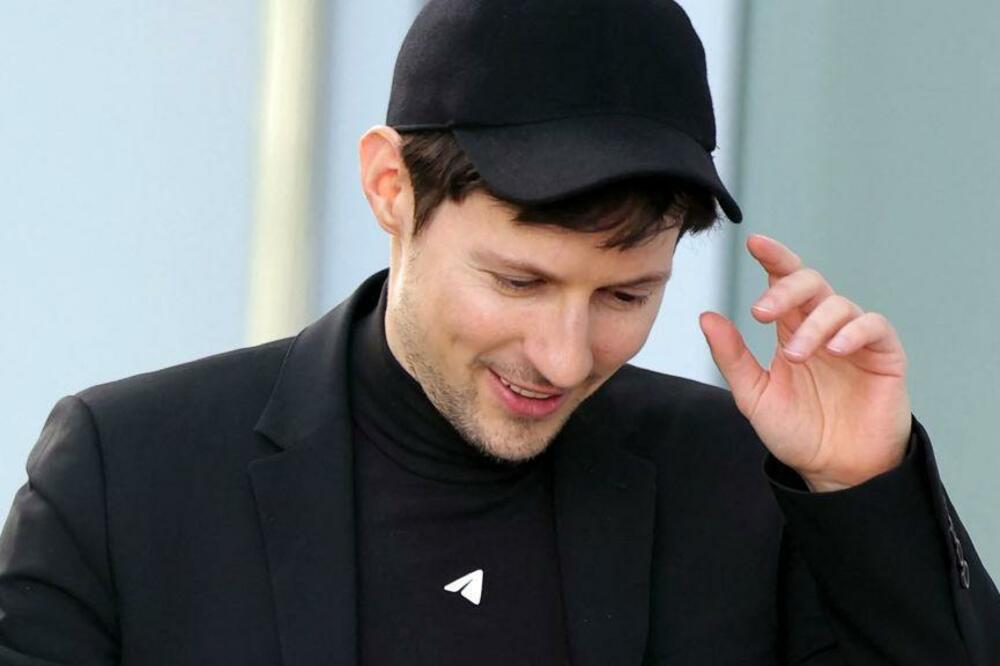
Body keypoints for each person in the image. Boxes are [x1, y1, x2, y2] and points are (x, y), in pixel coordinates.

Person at [1, 0, 997, 664]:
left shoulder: (743, 485)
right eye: (519, 281)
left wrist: (864, 492)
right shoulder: (125, 476)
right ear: (391, 188)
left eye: (625, 297)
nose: (564, 356)